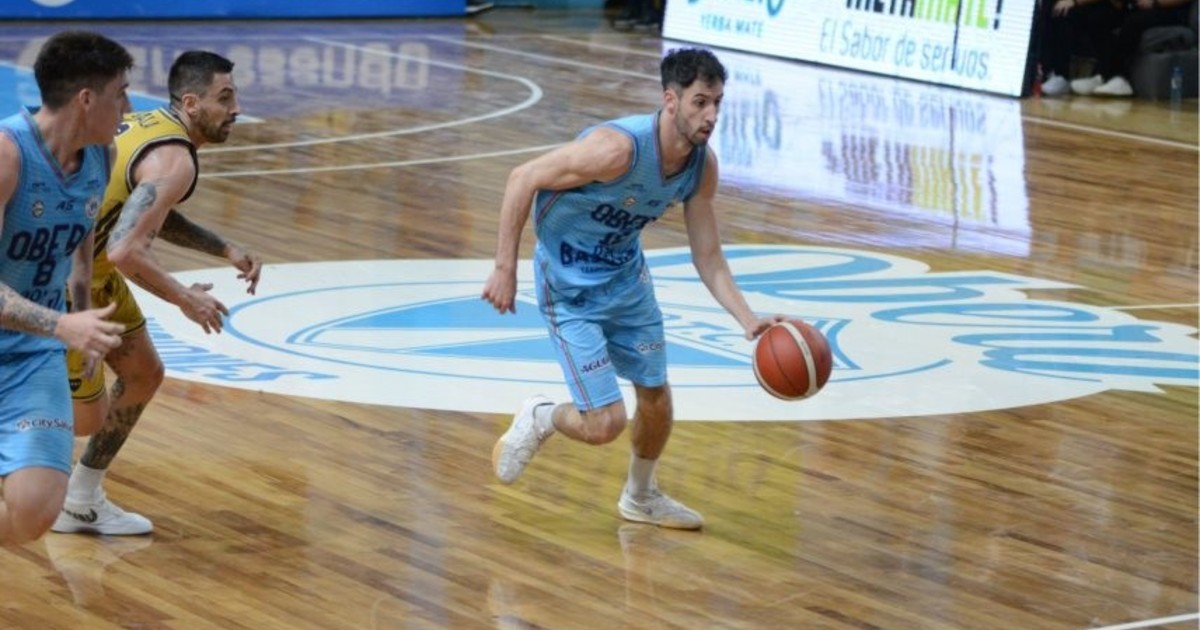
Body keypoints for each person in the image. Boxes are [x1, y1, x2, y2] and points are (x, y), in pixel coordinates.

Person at [481, 47, 781, 530]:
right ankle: (541, 417)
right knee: (604, 424)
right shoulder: (616, 150)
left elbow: (708, 255)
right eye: (700, 102)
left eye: (717, 103)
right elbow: (523, 178)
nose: (711, 116)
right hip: (569, 289)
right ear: (670, 100)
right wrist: (504, 268)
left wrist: (747, 319)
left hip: (626, 282)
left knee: (656, 396)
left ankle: (641, 497)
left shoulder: (701, 167)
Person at [51, 50, 262, 536]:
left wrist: (223, 247)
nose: (236, 109)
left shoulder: (150, 125)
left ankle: (81, 499)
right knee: (74, 415)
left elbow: (146, 209)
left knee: (143, 373)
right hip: (64, 281)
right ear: (191, 103)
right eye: (224, 98)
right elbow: (126, 249)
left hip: (89, 271)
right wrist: (185, 298)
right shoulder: (175, 159)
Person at [0, 31, 133, 545]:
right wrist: (63, 324)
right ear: (86, 99)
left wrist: (83, 318)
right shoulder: (8, 156)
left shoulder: (101, 154)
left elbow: (80, 248)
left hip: (32, 355)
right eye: (120, 93)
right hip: (44, 330)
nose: (127, 106)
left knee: (35, 512)